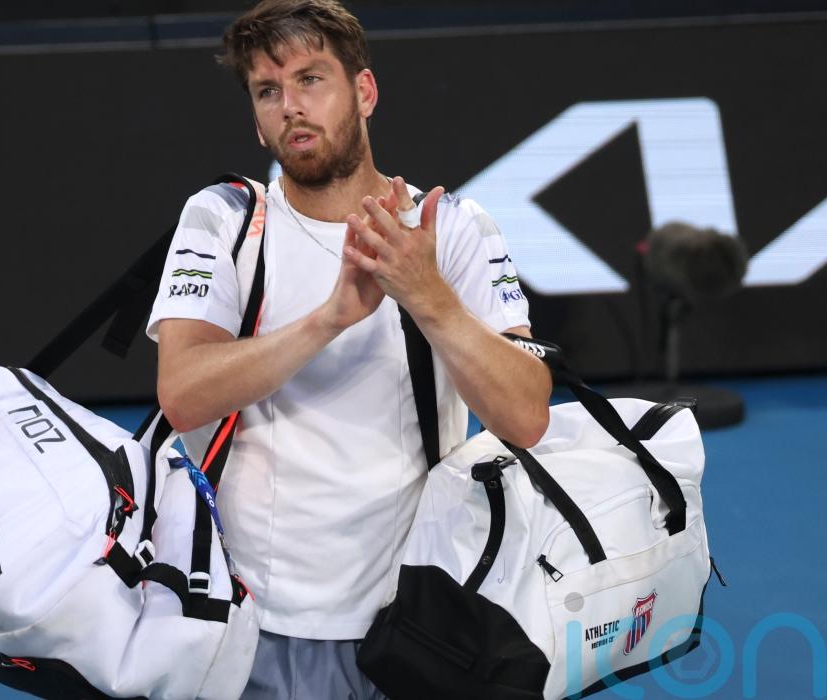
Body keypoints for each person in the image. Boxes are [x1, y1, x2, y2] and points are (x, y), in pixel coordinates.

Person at [145, 0, 551, 695]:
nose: (291, 107)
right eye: (267, 91)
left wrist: (429, 296)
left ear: (364, 91)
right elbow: (182, 395)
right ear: (256, 120)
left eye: (311, 79)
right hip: (256, 620)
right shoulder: (223, 217)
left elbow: (526, 414)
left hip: (419, 618)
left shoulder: (453, 228)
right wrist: (328, 319)